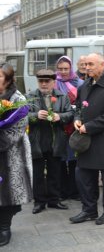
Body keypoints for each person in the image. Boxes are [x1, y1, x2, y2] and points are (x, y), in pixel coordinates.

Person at [69, 53, 104, 225]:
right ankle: (89, 210)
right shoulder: (84, 85)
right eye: (85, 64)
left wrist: (89, 126)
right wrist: (77, 119)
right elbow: (78, 106)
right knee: (83, 175)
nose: (87, 68)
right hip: (86, 140)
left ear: (103, 65)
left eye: (91, 64)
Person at [26, 69, 74, 214]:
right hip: (37, 140)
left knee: (55, 171)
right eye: (41, 81)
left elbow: (70, 114)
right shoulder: (30, 96)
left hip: (56, 140)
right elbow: (21, 116)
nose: (44, 84)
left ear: (54, 82)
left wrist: (59, 116)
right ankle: (39, 202)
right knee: (38, 173)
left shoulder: (62, 96)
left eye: (47, 81)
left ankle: (54, 200)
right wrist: (35, 115)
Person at [0, 63, 33, 247]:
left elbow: (16, 131)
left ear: (9, 79)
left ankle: (5, 227)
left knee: (8, 194)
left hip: (11, 155)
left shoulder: (17, 99)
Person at [54, 56, 84, 201]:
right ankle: (63, 191)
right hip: (58, 126)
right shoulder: (53, 83)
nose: (63, 72)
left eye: (66, 69)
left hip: (75, 126)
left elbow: (84, 103)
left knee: (74, 160)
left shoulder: (79, 83)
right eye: (60, 69)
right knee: (60, 159)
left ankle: (75, 191)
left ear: (71, 68)